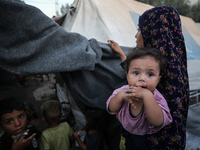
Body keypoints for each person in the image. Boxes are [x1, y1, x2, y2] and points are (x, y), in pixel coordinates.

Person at [0, 1, 189, 149]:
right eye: (136, 72)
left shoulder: (162, 86)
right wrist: (121, 62)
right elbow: (114, 102)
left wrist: (145, 97)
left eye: (140, 30)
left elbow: (157, 121)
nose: (135, 35)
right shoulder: (173, 71)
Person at [108, 6, 189, 150]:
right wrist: (121, 53)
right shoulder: (176, 70)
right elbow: (135, 69)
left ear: (154, 32)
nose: (136, 35)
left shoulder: (161, 90)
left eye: (139, 30)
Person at [106, 47, 173, 149]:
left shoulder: (156, 98)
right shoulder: (123, 91)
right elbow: (111, 108)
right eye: (136, 73)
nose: (142, 78)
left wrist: (147, 96)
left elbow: (157, 122)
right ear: (127, 75)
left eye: (150, 74)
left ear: (158, 80)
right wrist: (120, 97)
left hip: (147, 139)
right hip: (125, 132)